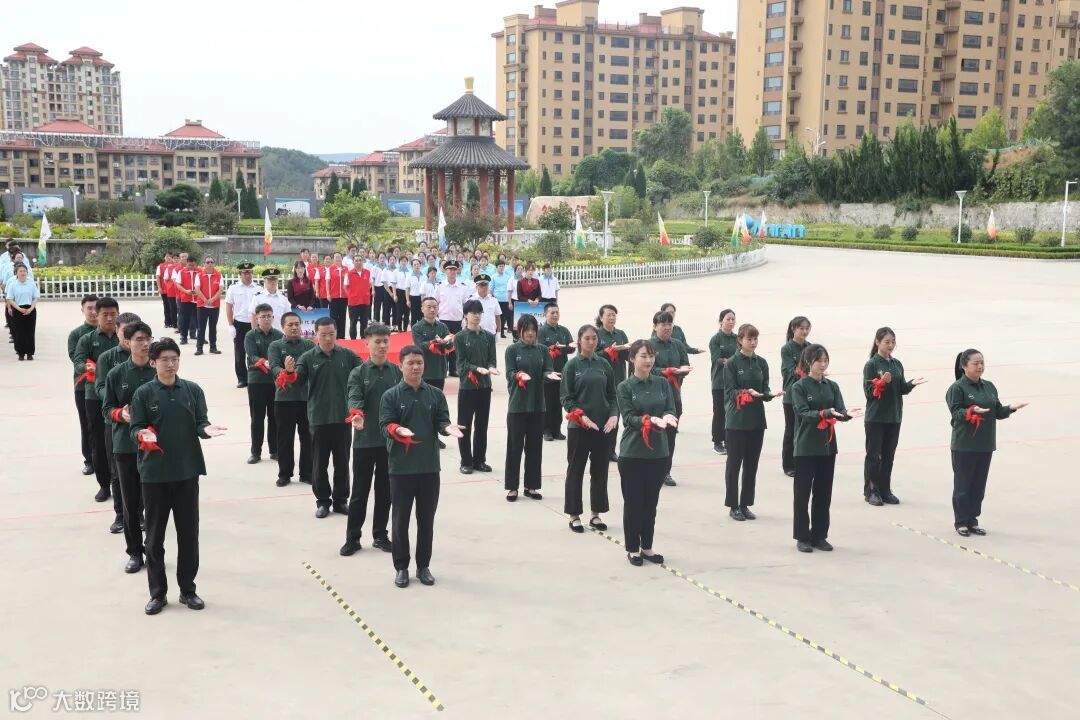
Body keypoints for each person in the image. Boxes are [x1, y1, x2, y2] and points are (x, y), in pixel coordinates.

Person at [129, 337, 227, 614]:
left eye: (174, 359)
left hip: (186, 472)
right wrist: (141, 433)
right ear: (153, 363)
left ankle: (188, 589)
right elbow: (134, 427)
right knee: (154, 538)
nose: (171, 364)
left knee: (189, 535)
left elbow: (201, 421)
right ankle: (158, 593)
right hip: (155, 475)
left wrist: (206, 429)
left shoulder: (192, 390)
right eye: (164, 360)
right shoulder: (143, 394)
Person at [379, 345, 463, 587]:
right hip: (401, 469)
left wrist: (447, 428)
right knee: (400, 521)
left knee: (426, 521)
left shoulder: (435, 394)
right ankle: (401, 567)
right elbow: (384, 425)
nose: (416, 367)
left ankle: (423, 565)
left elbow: (442, 420)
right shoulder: (391, 396)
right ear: (401, 366)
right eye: (410, 363)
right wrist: (397, 429)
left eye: (419, 363)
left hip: (429, 467)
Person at [946, 349, 1027, 537]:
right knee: (963, 486)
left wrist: (1010, 408)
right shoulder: (957, 388)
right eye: (975, 363)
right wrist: (971, 411)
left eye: (982, 362)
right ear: (964, 366)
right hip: (965, 445)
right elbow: (956, 413)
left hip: (985, 445)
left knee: (978, 487)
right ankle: (961, 521)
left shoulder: (989, 386)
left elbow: (997, 412)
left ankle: (973, 520)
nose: (980, 366)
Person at [790, 344, 862, 553]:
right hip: (806, 447)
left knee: (823, 493)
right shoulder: (799, 387)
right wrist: (825, 413)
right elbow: (804, 413)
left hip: (827, 447)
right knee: (802, 495)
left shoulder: (832, 386)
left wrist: (846, 414)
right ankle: (802, 536)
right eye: (818, 361)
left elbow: (839, 410)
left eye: (825, 361)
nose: (822, 365)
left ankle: (819, 535)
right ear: (808, 362)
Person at [286, 316, 360, 518]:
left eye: (331, 334)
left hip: (343, 418)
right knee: (319, 463)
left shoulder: (347, 355)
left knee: (342, 462)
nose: (328, 339)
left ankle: (340, 500)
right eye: (323, 335)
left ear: (336, 334)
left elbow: (362, 374)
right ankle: (322, 501)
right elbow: (296, 382)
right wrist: (290, 372)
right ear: (316, 334)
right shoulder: (308, 358)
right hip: (318, 418)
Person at [341, 323, 402, 556]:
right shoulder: (358, 373)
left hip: (389, 443)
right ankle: (353, 538)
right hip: (365, 441)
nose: (382, 346)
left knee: (385, 492)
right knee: (359, 492)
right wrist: (357, 414)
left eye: (386, 341)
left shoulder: (396, 371)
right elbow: (354, 397)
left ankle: (380, 535)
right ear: (367, 343)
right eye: (377, 341)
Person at [617, 339, 678, 566]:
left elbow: (670, 407)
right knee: (633, 503)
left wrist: (669, 416)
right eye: (643, 356)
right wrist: (648, 420)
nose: (649, 360)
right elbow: (628, 418)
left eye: (651, 356)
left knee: (650, 503)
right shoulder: (625, 387)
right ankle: (633, 548)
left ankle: (647, 547)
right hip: (633, 453)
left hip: (658, 453)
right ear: (633, 359)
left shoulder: (662, 383)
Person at [102, 321, 156, 574]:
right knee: (130, 504)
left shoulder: (159, 370)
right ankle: (135, 552)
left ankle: (154, 549)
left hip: (154, 448)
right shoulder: (116, 374)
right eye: (139, 339)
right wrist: (120, 415)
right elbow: (106, 409)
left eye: (148, 339)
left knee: (154, 503)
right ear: (126, 342)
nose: (145, 344)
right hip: (125, 447)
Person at [561, 324, 617, 534]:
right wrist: (581, 416)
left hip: (602, 427)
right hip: (579, 427)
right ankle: (574, 515)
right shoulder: (572, 366)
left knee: (600, 471)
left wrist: (614, 414)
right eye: (587, 338)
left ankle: (596, 513)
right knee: (575, 470)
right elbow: (566, 398)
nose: (591, 342)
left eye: (594, 338)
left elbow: (612, 395)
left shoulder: (604, 364)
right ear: (579, 340)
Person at [723, 323, 782, 521]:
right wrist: (746, 392)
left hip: (756, 421)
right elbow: (730, 392)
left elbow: (764, 389)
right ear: (740, 340)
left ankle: (745, 503)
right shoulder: (731, 364)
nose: (753, 342)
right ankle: (733, 505)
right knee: (734, 465)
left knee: (751, 465)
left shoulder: (761, 363)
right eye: (749, 339)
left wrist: (769, 394)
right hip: (737, 421)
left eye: (755, 339)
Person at [862, 327, 927, 506]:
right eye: (887, 342)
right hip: (876, 417)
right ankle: (871, 491)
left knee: (888, 456)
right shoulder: (871, 365)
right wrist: (881, 383)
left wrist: (911, 384)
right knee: (874, 456)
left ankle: (885, 490)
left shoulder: (897, 364)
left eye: (893, 342)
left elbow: (901, 389)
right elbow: (868, 392)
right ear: (877, 342)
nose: (890, 345)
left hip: (894, 416)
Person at [94, 311, 142, 534]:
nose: (130, 337)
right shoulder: (107, 358)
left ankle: (139, 514)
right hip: (115, 422)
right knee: (118, 472)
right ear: (117, 331)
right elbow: (100, 387)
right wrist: (118, 405)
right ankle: (121, 514)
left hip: (143, 423)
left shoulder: (149, 356)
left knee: (143, 470)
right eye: (125, 332)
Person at [504, 314, 558, 501]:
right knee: (514, 447)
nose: (530, 333)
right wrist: (518, 375)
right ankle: (512, 487)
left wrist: (549, 375)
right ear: (519, 331)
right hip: (518, 406)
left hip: (537, 405)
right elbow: (509, 373)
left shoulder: (542, 350)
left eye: (533, 330)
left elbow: (547, 369)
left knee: (535, 448)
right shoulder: (512, 350)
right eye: (526, 330)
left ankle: (531, 486)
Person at [74, 297, 120, 505]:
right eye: (105, 314)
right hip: (95, 397)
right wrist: (87, 367)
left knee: (119, 443)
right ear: (97, 315)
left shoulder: (124, 337)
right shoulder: (87, 339)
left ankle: (122, 482)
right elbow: (78, 361)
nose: (109, 318)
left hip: (121, 396)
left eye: (113, 314)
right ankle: (104, 484)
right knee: (99, 442)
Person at [268, 311, 315, 487]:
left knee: (307, 438)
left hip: (306, 399)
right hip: (284, 399)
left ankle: (307, 473)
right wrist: (286, 372)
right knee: (285, 439)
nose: (294, 327)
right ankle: (285, 474)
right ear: (283, 327)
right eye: (290, 325)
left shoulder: (309, 345)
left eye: (297, 324)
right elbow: (274, 367)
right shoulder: (275, 346)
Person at [455, 299, 499, 475]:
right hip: (467, 387)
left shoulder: (488, 336)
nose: (477, 316)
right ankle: (466, 461)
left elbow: (492, 359)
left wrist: (491, 367)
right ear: (466, 315)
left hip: (485, 386)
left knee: (482, 425)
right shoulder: (460, 337)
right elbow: (461, 364)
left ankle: (480, 460)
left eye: (479, 313)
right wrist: (476, 369)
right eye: (473, 313)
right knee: (464, 425)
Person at [649, 311, 692, 486]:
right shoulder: (649, 346)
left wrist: (682, 370)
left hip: (673, 397)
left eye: (670, 324)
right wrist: (666, 371)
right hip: (654, 398)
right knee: (653, 435)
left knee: (670, 437)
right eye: (663, 324)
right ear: (655, 326)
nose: (667, 327)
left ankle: (665, 471)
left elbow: (685, 363)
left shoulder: (677, 345)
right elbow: (648, 368)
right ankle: (651, 470)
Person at [244, 303, 283, 465]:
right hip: (257, 381)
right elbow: (252, 355)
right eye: (263, 316)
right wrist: (263, 362)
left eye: (269, 316)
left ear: (273, 317)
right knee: (257, 418)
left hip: (275, 382)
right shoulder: (250, 336)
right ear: (257, 318)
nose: (266, 319)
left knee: (275, 418)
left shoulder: (279, 335)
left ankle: (274, 450)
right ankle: (255, 452)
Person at [68, 294, 99, 476]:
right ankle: (89, 460)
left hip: (106, 386)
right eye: (89, 308)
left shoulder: (112, 332)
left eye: (96, 308)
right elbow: (76, 359)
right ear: (82, 310)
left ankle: (106, 459)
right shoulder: (76, 334)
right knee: (87, 423)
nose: (93, 312)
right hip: (84, 387)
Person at [595, 304, 630, 462]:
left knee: (615, 416)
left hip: (618, 380)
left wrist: (626, 350)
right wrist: (607, 351)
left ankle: (610, 450)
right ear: (601, 317)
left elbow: (629, 355)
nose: (611, 318)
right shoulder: (596, 334)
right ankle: (599, 448)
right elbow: (592, 355)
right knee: (601, 416)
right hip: (601, 381)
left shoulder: (620, 334)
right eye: (608, 315)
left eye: (614, 315)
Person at [780, 316, 812, 477]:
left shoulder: (810, 347)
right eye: (801, 328)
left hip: (808, 395)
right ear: (794, 329)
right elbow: (790, 370)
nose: (804, 331)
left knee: (805, 431)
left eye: (807, 328)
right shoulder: (787, 349)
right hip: (791, 395)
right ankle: (788, 464)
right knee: (791, 430)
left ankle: (803, 462)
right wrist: (807, 371)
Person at [539, 303, 575, 441]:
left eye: (557, 312)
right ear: (545, 314)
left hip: (562, 371)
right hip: (548, 372)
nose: (555, 315)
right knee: (548, 401)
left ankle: (557, 429)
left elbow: (571, 348)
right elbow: (540, 350)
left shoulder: (564, 331)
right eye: (552, 312)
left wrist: (565, 347)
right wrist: (553, 348)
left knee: (558, 402)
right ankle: (546, 430)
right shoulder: (541, 331)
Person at [225, 262, 261, 388]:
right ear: (240, 274)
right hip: (240, 323)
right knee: (240, 352)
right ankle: (242, 379)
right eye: (245, 273)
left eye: (249, 272)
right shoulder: (233, 288)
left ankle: (253, 376)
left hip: (255, 324)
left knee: (254, 351)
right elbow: (229, 307)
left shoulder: (258, 288)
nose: (248, 275)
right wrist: (230, 325)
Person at [708, 309, 738, 454]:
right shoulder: (716, 339)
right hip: (720, 382)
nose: (731, 322)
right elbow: (717, 359)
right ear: (721, 321)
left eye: (733, 319)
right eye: (728, 319)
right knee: (719, 412)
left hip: (734, 382)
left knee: (731, 412)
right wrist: (732, 362)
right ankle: (717, 441)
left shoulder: (737, 338)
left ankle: (729, 440)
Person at [436, 260, 468, 377]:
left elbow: (465, 305)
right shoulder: (440, 286)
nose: (452, 271)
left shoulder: (462, 287)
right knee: (443, 345)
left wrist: (465, 320)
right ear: (445, 271)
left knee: (455, 346)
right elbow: (435, 302)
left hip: (457, 321)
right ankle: (443, 369)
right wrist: (436, 318)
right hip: (443, 321)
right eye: (450, 269)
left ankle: (454, 369)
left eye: (454, 269)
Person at [411, 297, 451, 390]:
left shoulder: (443, 326)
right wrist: (434, 342)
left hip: (439, 370)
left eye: (435, 307)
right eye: (429, 307)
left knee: (438, 395)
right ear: (422, 309)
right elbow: (419, 346)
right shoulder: (417, 327)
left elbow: (449, 346)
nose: (432, 310)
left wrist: (447, 341)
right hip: (424, 371)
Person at [5, 263, 39, 361]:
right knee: (19, 332)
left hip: (30, 310)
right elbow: (10, 299)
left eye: (24, 271)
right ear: (16, 273)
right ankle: (21, 353)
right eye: (20, 271)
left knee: (30, 332)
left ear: (27, 272)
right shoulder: (13, 284)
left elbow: (35, 297)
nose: (23, 273)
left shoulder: (31, 284)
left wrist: (31, 308)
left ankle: (30, 353)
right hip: (18, 309)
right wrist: (19, 309)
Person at [193, 256, 223, 356]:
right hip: (202, 305)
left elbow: (221, 289)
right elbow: (197, 289)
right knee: (201, 328)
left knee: (213, 328)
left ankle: (213, 347)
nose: (210, 264)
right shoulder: (199, 275)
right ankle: (199, 348)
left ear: (214, 264)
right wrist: (205, 300)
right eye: (207, 262)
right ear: (204, 264)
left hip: (214, 305)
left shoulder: (218, 275)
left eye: (211, 262)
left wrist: (212, 299)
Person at [172, 255, 199, 344]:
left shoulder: (200, 272)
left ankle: (196, 335)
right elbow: (178, 284)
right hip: (185, 299)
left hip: (197, 299)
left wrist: (198, 292)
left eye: (193, 265)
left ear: (195, 264)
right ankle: (184, 337)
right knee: (185, 319)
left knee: (197, 318)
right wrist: (186, 291)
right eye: (189, 265)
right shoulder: (181, 272)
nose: (191, 267)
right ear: (186, 264)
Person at [344, 258, 372, 339]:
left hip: (365, 301)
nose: (358, 262)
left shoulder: (367, 272)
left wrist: (365, 293)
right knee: (353, 323)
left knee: (364, 323)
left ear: (362, 262)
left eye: (360, 260)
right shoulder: (349, 273)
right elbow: (345, 286)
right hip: (353, 302)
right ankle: (353, 340)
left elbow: (370, 284)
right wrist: (351, 295)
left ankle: (363, 339)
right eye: (356, 260)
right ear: (353, 262)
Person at [324, 253, 349, 338]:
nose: (338, 259)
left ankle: (342, 336)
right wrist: (328, 294)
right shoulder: (330, 269)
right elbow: (327, 282)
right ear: (333, 259)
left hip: (344, 297)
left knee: (343, 317)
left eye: (339, 257)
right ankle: (334, 336)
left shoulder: (346, 269)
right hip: (333, 297)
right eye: (336, 257)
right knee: (334, 317)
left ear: (342, 258)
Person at [491, 259, 515, 338]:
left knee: (504, 316)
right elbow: (491, 288)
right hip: (496, 299)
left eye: (502, 266)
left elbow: (510, 289)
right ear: (496, 267)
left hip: (505, 299)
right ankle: (496, 331)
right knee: (497, 316)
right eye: (500, 266)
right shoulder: (493, 277)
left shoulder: (508, 277)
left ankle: (501, 332)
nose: (501, 268)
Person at [156, 252, 177, 329]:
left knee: (174, 307)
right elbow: (158, 277)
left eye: (170, 256)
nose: (168, 258)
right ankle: (167, 322)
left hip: (174, 290)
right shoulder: (160, 266)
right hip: (164, 290)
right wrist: (159, 287)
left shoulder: (176, 266)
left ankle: (174, 322)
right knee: (166, 306)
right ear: (164, 257)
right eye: (167, 256)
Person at [406, 259, 425, 327]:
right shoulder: (409, 276)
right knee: (414, 316)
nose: (417, 266)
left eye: (418, 264)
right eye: (415, 265)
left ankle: (422, 330)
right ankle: (413, 330)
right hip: (413, 298)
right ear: (412, 266)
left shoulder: (424, 276)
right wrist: (408, 300)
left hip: (422, 298)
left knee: (422, 315)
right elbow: (407, 289)